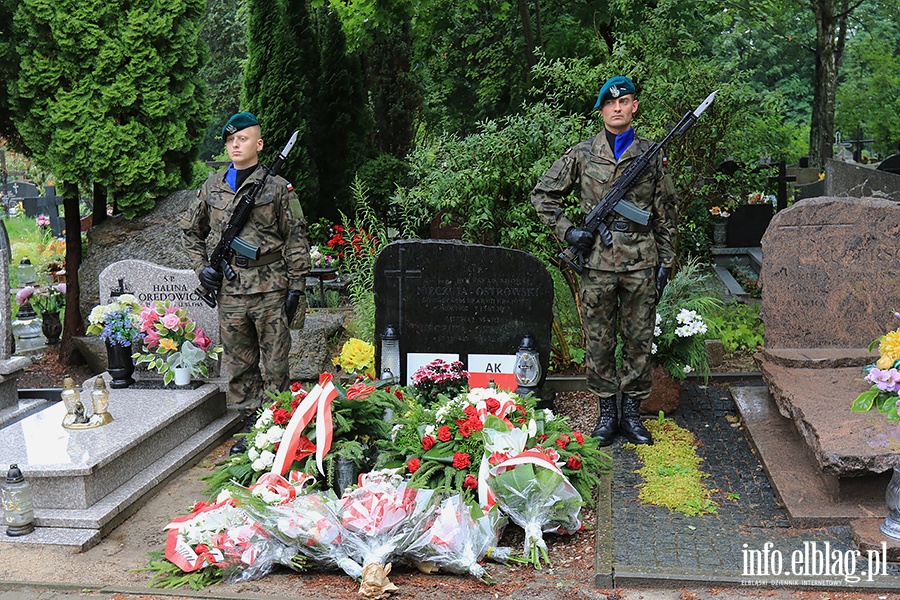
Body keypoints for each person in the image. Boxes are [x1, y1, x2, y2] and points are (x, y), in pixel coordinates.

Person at [531, 76, 677, 446]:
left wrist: (666, 262)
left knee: (639, 340)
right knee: (597, 340)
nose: (617, 108)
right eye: (610, 104)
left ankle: (631, 413)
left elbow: (666, 213)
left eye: (624, 101)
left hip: (641, 262)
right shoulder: (582, 154)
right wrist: (567, 232)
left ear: (634, 107)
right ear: (601, 111)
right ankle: (606, 414)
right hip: (597, 263)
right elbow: (543, 195)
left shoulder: (651, 154)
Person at [181, 111, 310, 428]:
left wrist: (296, 287)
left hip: (271, 290)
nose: (235, 145)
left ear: (259, 144)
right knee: (239, 363)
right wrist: (201, 269)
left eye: (243, 138)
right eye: (230, 140)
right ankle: (249, 428)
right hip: (231, 290)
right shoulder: (211, 189)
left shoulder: (278, 188)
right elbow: (190, 232)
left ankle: (278, 427)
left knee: (276, 364)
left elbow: (296, 238)